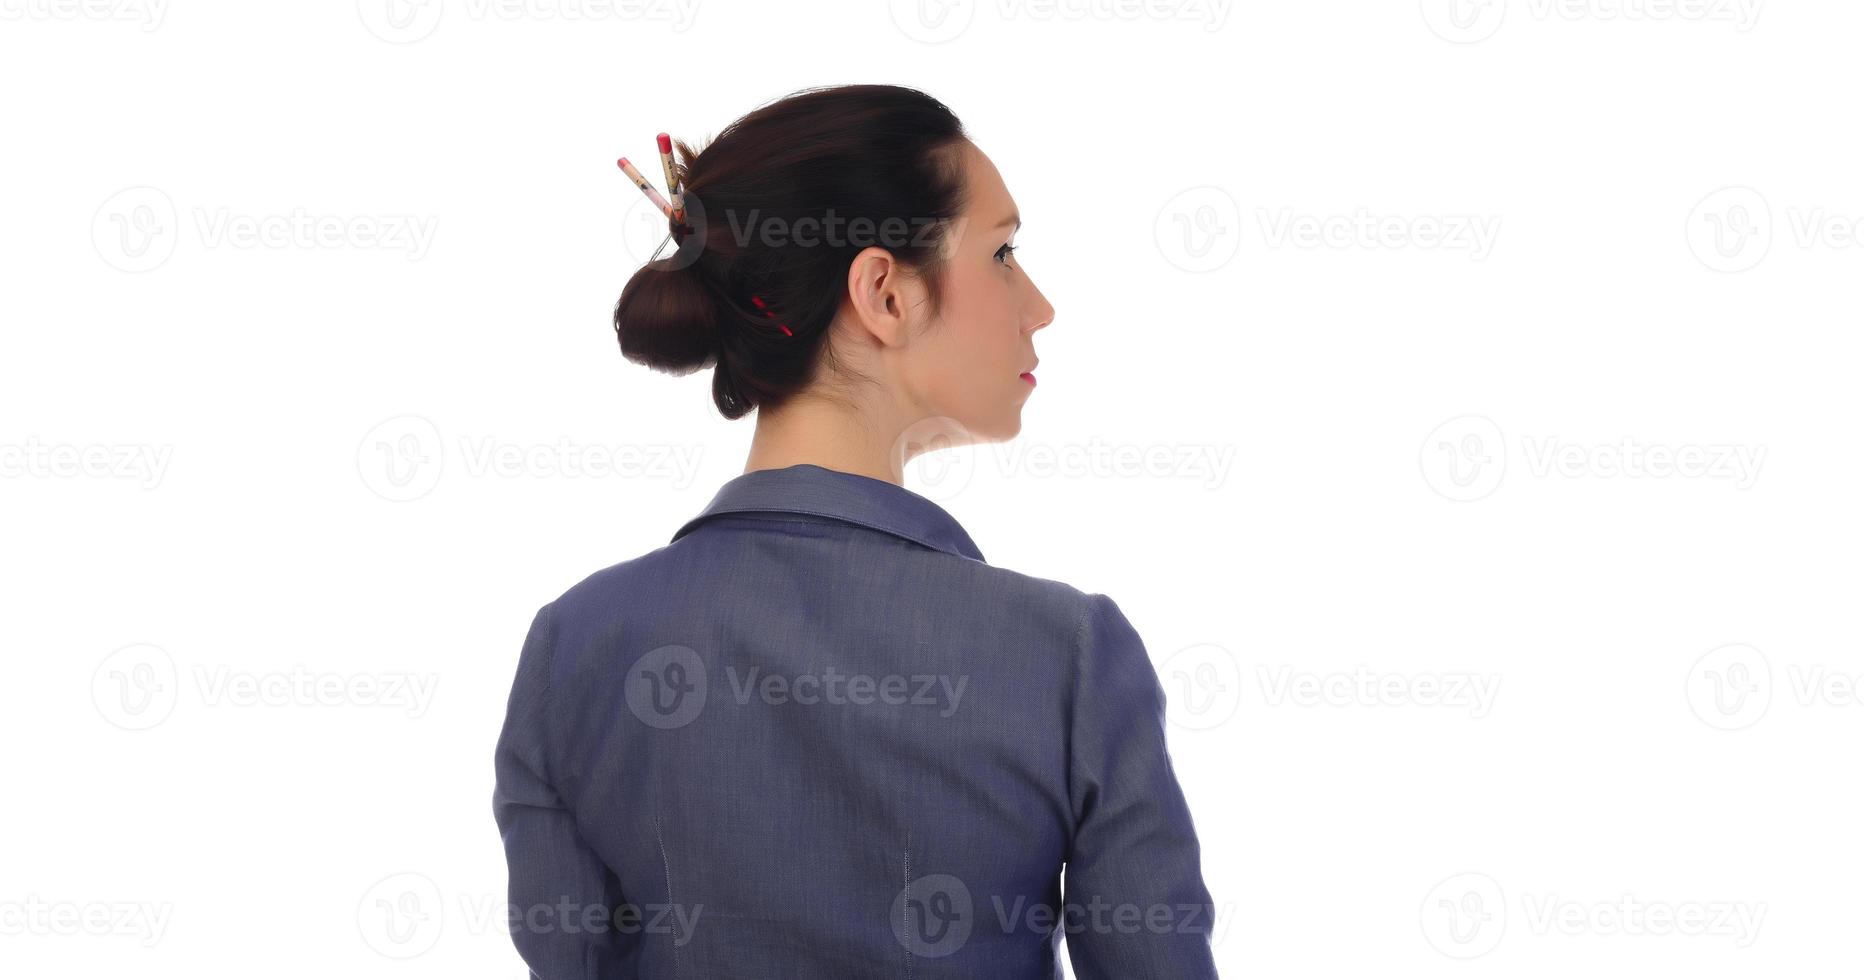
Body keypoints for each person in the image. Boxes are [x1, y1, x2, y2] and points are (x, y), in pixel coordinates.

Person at [492, 83, 1219, 979]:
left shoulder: (574, 645)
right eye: (1003, 252)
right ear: (884, 291)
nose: (1040, 305)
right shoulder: (1068, 656)